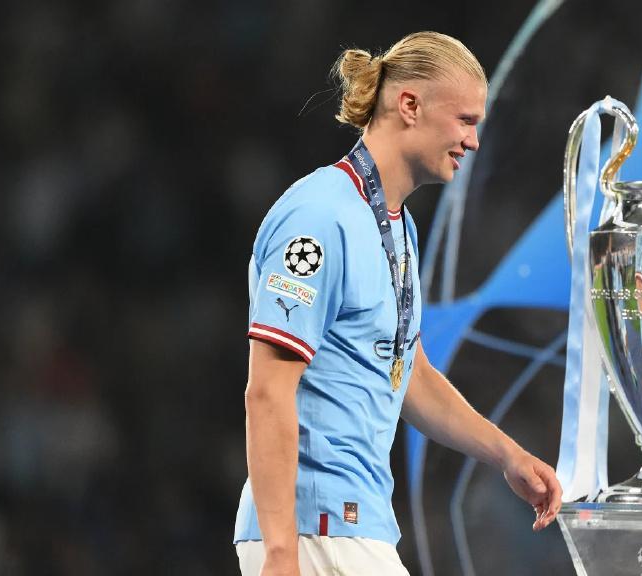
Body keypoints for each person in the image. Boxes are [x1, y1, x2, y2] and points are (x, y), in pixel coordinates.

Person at [233, 32, 563, 576]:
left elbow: (407, 373)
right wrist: (281, 552)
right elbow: (267, 392)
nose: (473, 141)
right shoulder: (319, 218)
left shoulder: (396, 226)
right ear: (409, 105)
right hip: (314, 529)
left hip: (353, 525)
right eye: (464, 120)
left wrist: (508, 454)